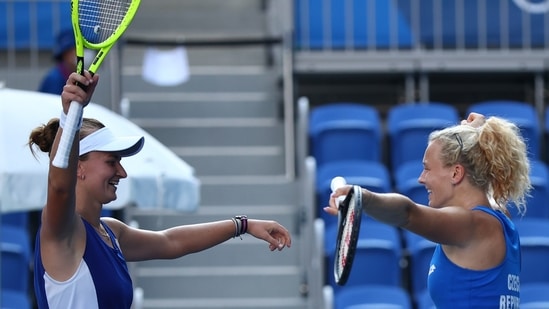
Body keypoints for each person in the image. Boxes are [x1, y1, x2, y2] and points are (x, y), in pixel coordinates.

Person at [28, 71, 292, 308]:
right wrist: (70, 116)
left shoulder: (110, 231)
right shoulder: (62, 230)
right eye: (111, 161)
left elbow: (171, 242)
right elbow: (60, 188)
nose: (122, 172)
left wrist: (242, 225)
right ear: (78, 168)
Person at [326, 112, 530, 308]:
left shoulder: (472, 225)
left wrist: (362, 198)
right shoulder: (500, 216)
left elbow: (408, 213)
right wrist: (476, 134)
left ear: (456, 173)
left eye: (427, 168)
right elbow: (485, 186)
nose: (421, 178)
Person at [38, 28, 76, 95]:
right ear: (64, 55)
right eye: (71, 51)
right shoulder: (55, 79)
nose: (74, 54)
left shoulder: (71, 74)